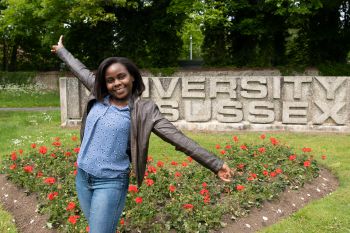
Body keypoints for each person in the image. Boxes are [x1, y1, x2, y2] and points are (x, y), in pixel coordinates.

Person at [51, 35, 234, 233]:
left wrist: (215, 164)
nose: (117, 83)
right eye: (110, 80)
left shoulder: (144, 110)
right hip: (83, 176)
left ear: (132, 77)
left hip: (110, 182)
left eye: (121, 76)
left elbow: (179, 139)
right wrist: (62, 51)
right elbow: (80, 70)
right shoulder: (99, 94)